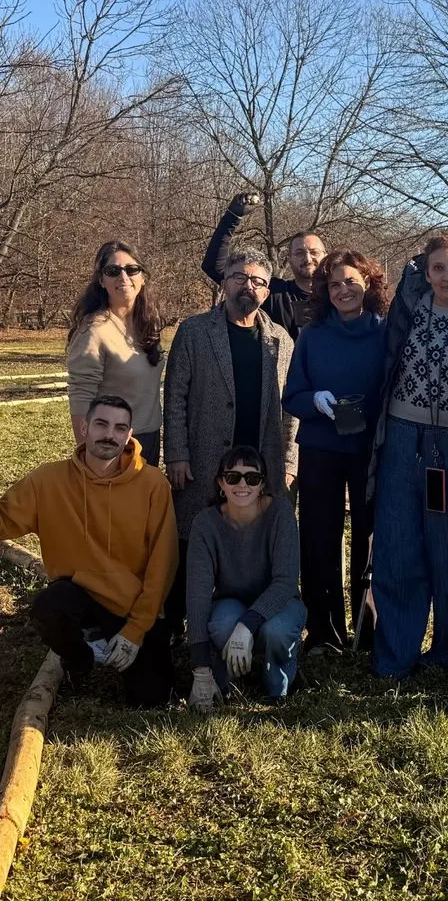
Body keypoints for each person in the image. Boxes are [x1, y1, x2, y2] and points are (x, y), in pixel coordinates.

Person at [369, 233, 448, 678]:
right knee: (397, 543)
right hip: (402, 436)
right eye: (438, 268)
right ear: (425, 273)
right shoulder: (406, 307)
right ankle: (396, 652)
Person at [0, 395, 178, 707]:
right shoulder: (48, 480)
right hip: (78, 593)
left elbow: (163, 564)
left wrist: (136, 629)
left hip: (131, 603)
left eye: (120, 428)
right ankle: (80, 658)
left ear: (129, 434)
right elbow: (5, 518)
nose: (110, 434)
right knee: (49, 607)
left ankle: (116, 641)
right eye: (101, 424)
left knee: (151, 698)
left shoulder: (153, 484)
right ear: (84, 427)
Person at [163, 246, 297, 634]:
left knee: (255, 543)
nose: (247, 286)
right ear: (224, 282)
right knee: (190, 538)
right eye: (239, 277)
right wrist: (176, 453)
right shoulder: (194, 331)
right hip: (203, 458)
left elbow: (291, 409)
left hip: (260, 463)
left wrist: (289, 462)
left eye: (257, 281)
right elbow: (175, 394)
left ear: (267, 291)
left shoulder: (281, 340)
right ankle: (179, 625)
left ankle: (254, 619)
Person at [283, 250, 389, 655]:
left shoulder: (386, 332)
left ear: (368, 282)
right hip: (321, 448)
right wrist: (316, 401)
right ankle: (324, 632)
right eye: (334, 285)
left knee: (369, 536)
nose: (343, 290)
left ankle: (367, 630)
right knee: (319, 537)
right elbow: (292, 395)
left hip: (370, 449)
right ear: (324, 291)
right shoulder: (313, 334)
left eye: (351, 281)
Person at [186, 445, 306, 710]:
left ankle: (278, 682)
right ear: (221, 483)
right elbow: (197, 595)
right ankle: (224, 678)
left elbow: (286, 581)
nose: (243, 485)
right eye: (233, 477)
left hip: (280, 602)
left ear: (262, 484)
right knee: (222, 625)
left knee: (277, 631)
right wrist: (200, 669)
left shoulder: (281, 513)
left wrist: (247, 626)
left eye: (252, 478)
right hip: (231, 600)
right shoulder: (205, 524)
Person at [67, 241, 164, 466]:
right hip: (112, 442)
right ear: (101, 280)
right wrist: (89, 456)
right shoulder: (94, 330)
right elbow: (81, 396)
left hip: (149, 437)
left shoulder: (147, 324)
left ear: (143, 277)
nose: (123, 277)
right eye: (113, 271)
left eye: (132, 269)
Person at [201, 192, 326, 339]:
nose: (308, 258)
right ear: (289, 259)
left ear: (326, 256)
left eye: (314, 252)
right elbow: (215, 267)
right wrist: (232, 217)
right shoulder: (272, 293)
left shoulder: (339, 293)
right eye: (299, 253)